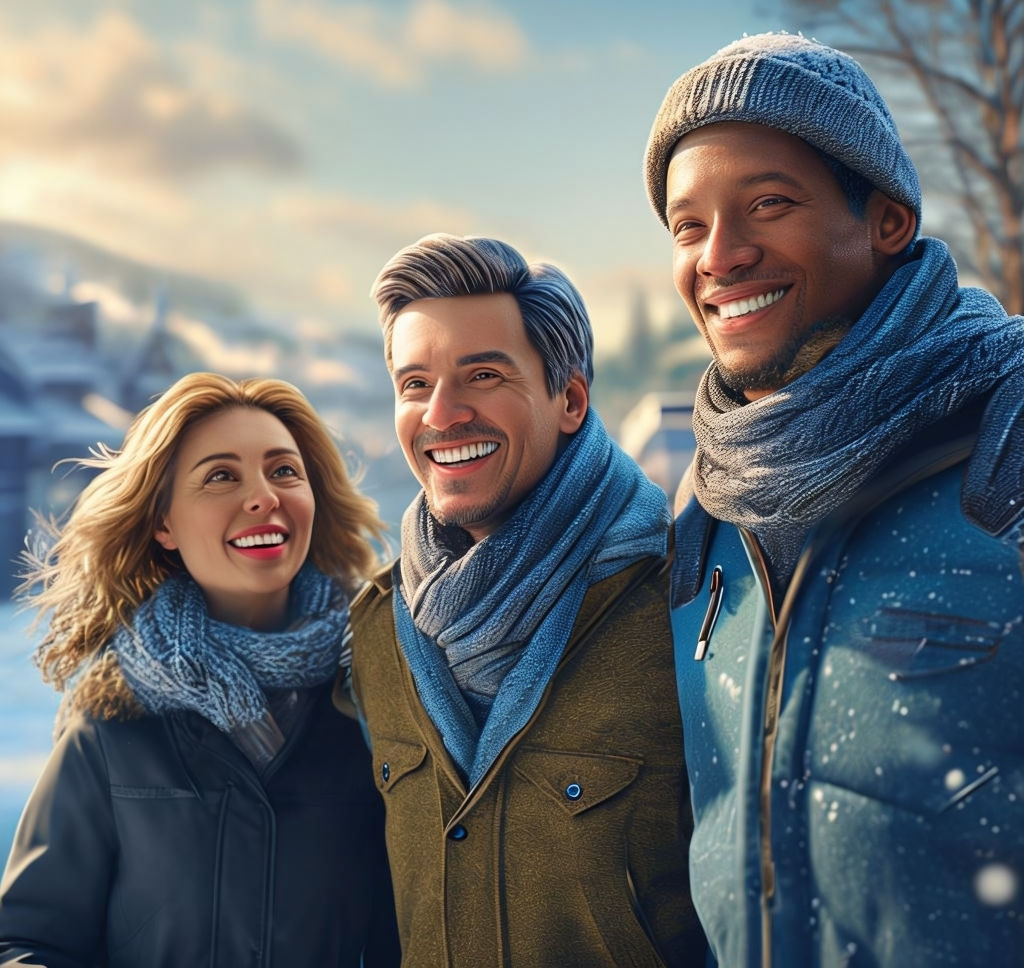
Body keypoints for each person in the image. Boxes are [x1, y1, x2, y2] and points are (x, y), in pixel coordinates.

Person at [642, 31, 1024, 967]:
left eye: (767, 204)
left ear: (887, 220)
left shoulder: (1006, 446)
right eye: (688, 226)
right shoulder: (703, 512)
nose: (720, 256)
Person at [338, 233, 707, 966]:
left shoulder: (684, 605)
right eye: (415, 384)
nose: (442, 413)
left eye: (482, 375)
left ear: (569, 399)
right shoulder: (376, 630)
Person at [0, 372, 400, 967]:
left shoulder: (380, 695)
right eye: (220, 476)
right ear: (163, 523)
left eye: (284, 471)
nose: (264, 496)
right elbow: (27, 943)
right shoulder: (111, 721)